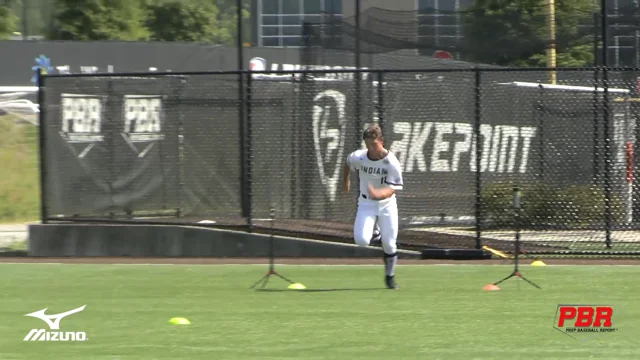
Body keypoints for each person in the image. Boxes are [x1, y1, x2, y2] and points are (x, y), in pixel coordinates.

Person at [342, 124, 404, 289]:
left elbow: (393, 189)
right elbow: (348, 162)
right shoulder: (359, 157)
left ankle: (390, 277)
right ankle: (376, 232)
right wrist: (346, 180)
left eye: (374, 144)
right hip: (366, 203)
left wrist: (378, 194)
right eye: (368, 144)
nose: (371, 148)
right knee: (362, 241)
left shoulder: (391, 162)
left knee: (390, 244)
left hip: (387, 205)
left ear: (381, 141)